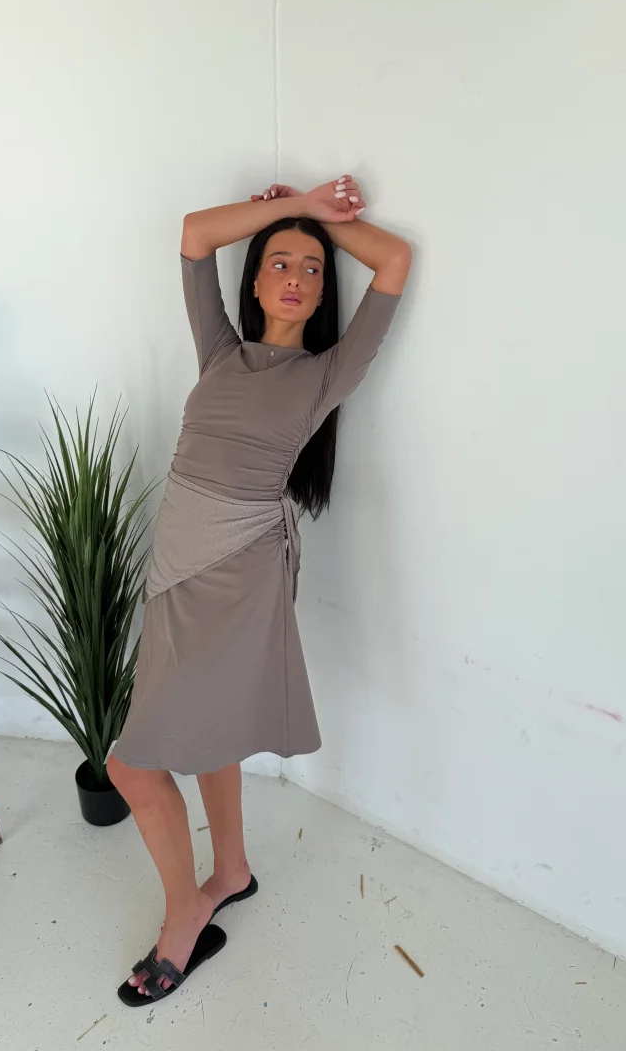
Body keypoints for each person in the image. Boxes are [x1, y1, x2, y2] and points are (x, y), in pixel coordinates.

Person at [108, 175, 411, 1006]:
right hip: (174, 570)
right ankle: (231, 870)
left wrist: (314, 222)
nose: (296, 277)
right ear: (253, 282)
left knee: (130, 766)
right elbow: (194, 234)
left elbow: (393, 260)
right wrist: (295, 208)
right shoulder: (219, 349)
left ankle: (186, 915)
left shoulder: (327, 373)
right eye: (279, 262)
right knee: (210, 734)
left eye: (311, 269)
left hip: (239, 576)